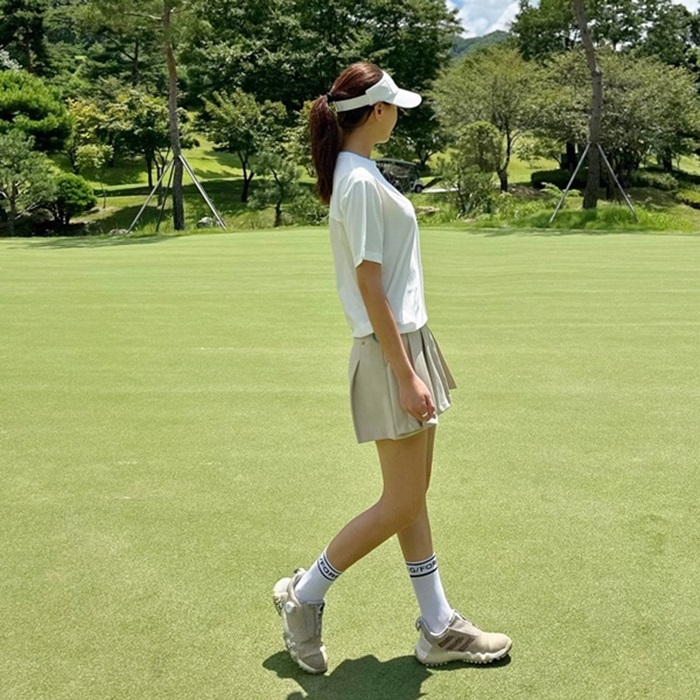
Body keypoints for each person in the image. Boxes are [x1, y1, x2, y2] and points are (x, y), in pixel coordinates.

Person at [273, 62, 512, 674]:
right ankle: (305, 594)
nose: (399, 115)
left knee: (411, 497)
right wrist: (406, 375)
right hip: (390, 351)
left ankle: (437, 626)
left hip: (405, 341)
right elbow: (369, 285)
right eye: (394, 106)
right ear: (376, 111)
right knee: (401, 501)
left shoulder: (362, 171)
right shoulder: (357, 181)